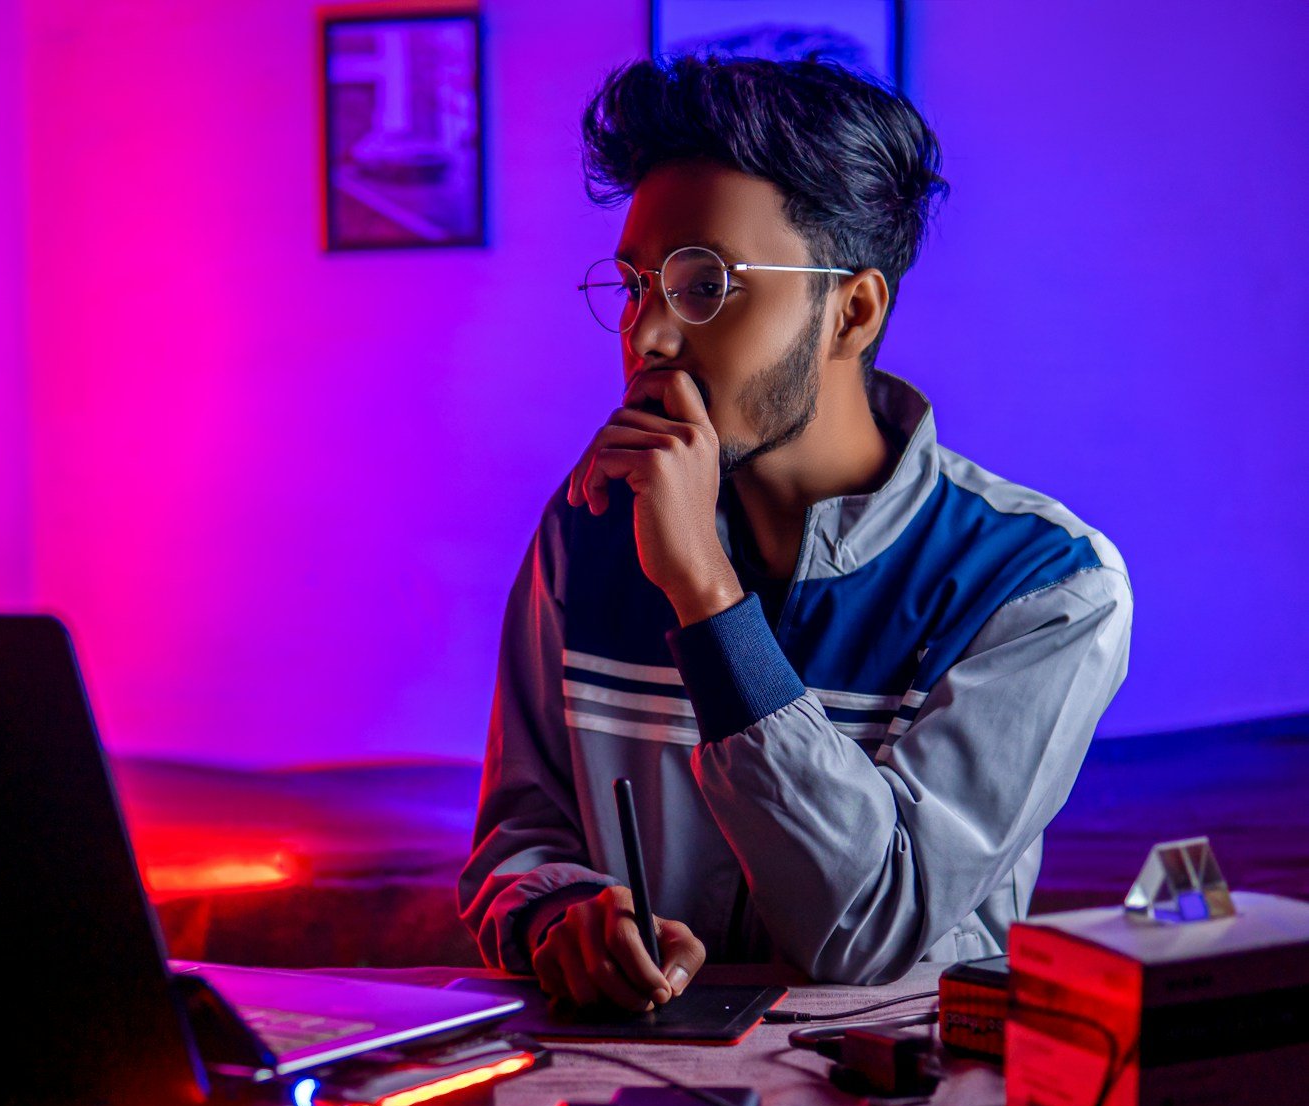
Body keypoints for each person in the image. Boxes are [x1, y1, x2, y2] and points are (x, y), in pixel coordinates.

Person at [457, 54, 1132, 1008]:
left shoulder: (1041, 586)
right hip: (614, 1099)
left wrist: (704, 593)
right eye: (636, 283)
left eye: (703, 285)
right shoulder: (589, 533)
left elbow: (871, 929)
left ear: (851, 312)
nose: (646, 334)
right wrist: (561, 916)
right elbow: (518, 841)